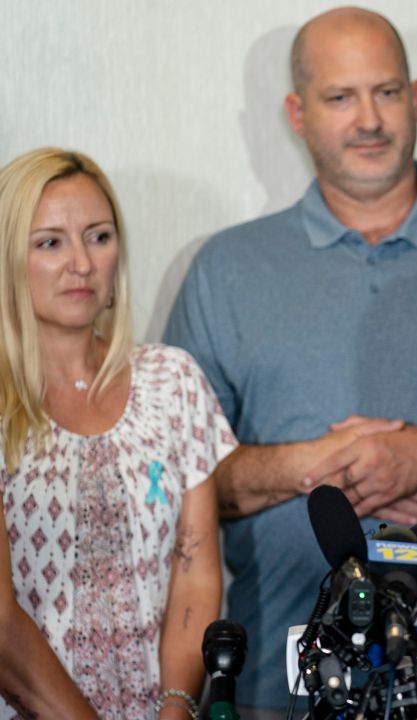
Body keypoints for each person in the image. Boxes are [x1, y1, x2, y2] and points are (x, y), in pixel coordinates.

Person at [162, 8, 417, 713]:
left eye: (386, 93)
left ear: (416, 98)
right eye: (339, 97)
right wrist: (319, 465)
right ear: (296, 113)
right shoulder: (224, 270)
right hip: (279, 687)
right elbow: (177, 491)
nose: (369, 120)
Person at [0, 148, 232, 719]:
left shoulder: (173, 380)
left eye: (98, 237)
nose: (81, 262)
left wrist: (177, 708)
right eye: (50, 242)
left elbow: (195, 573)